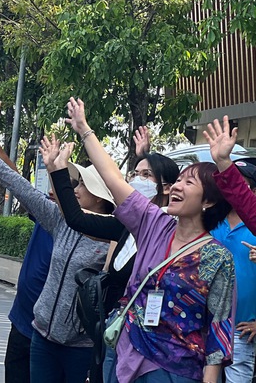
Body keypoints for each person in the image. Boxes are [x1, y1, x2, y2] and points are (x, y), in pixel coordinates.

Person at [67, 97, 235, 383]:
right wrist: (84, 130)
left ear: (208, 201)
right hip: (125, 353)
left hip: (176, 371)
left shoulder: (218, 258)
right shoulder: (155, 224)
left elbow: (219, 331)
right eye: (178, 181)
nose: (177, 187)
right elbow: (113, 178)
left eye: (189, 183)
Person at [0, 101, 111, 383]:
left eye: (82, 185)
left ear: (100, 197)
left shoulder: (114, 237)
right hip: (40, 334)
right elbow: (21, 187)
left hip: (80, 347)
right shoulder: (59, 219)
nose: (75, 190)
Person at [40, 131, 179, 383]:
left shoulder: (171, 232)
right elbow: (76, 219)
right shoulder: (124, 226)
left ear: (168, 188)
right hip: (116, 338)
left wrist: (85, 130)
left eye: (146, 175)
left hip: (154, 351)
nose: (137, 180)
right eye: (135, 174)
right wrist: (57, 170)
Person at [0, 102, 54, 383]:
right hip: (22, 323)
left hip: (53, 335)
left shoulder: (84, 227)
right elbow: (16, 180)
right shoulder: (48, 213)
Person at [203, 117, 256, 382]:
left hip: (243, 331)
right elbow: (247, 204)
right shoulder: (212, 220)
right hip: (208, 323)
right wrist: (223, 162)